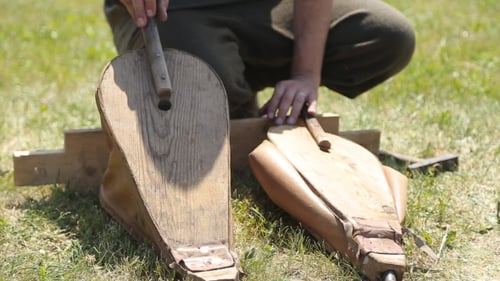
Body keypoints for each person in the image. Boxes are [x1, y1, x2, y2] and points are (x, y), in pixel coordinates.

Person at [104, 0, 415, 124]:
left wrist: (305, 75)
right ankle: (229, 98)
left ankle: (230, 86)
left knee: (387, 35)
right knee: (188, 67)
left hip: (261, 6)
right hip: (173, 10)